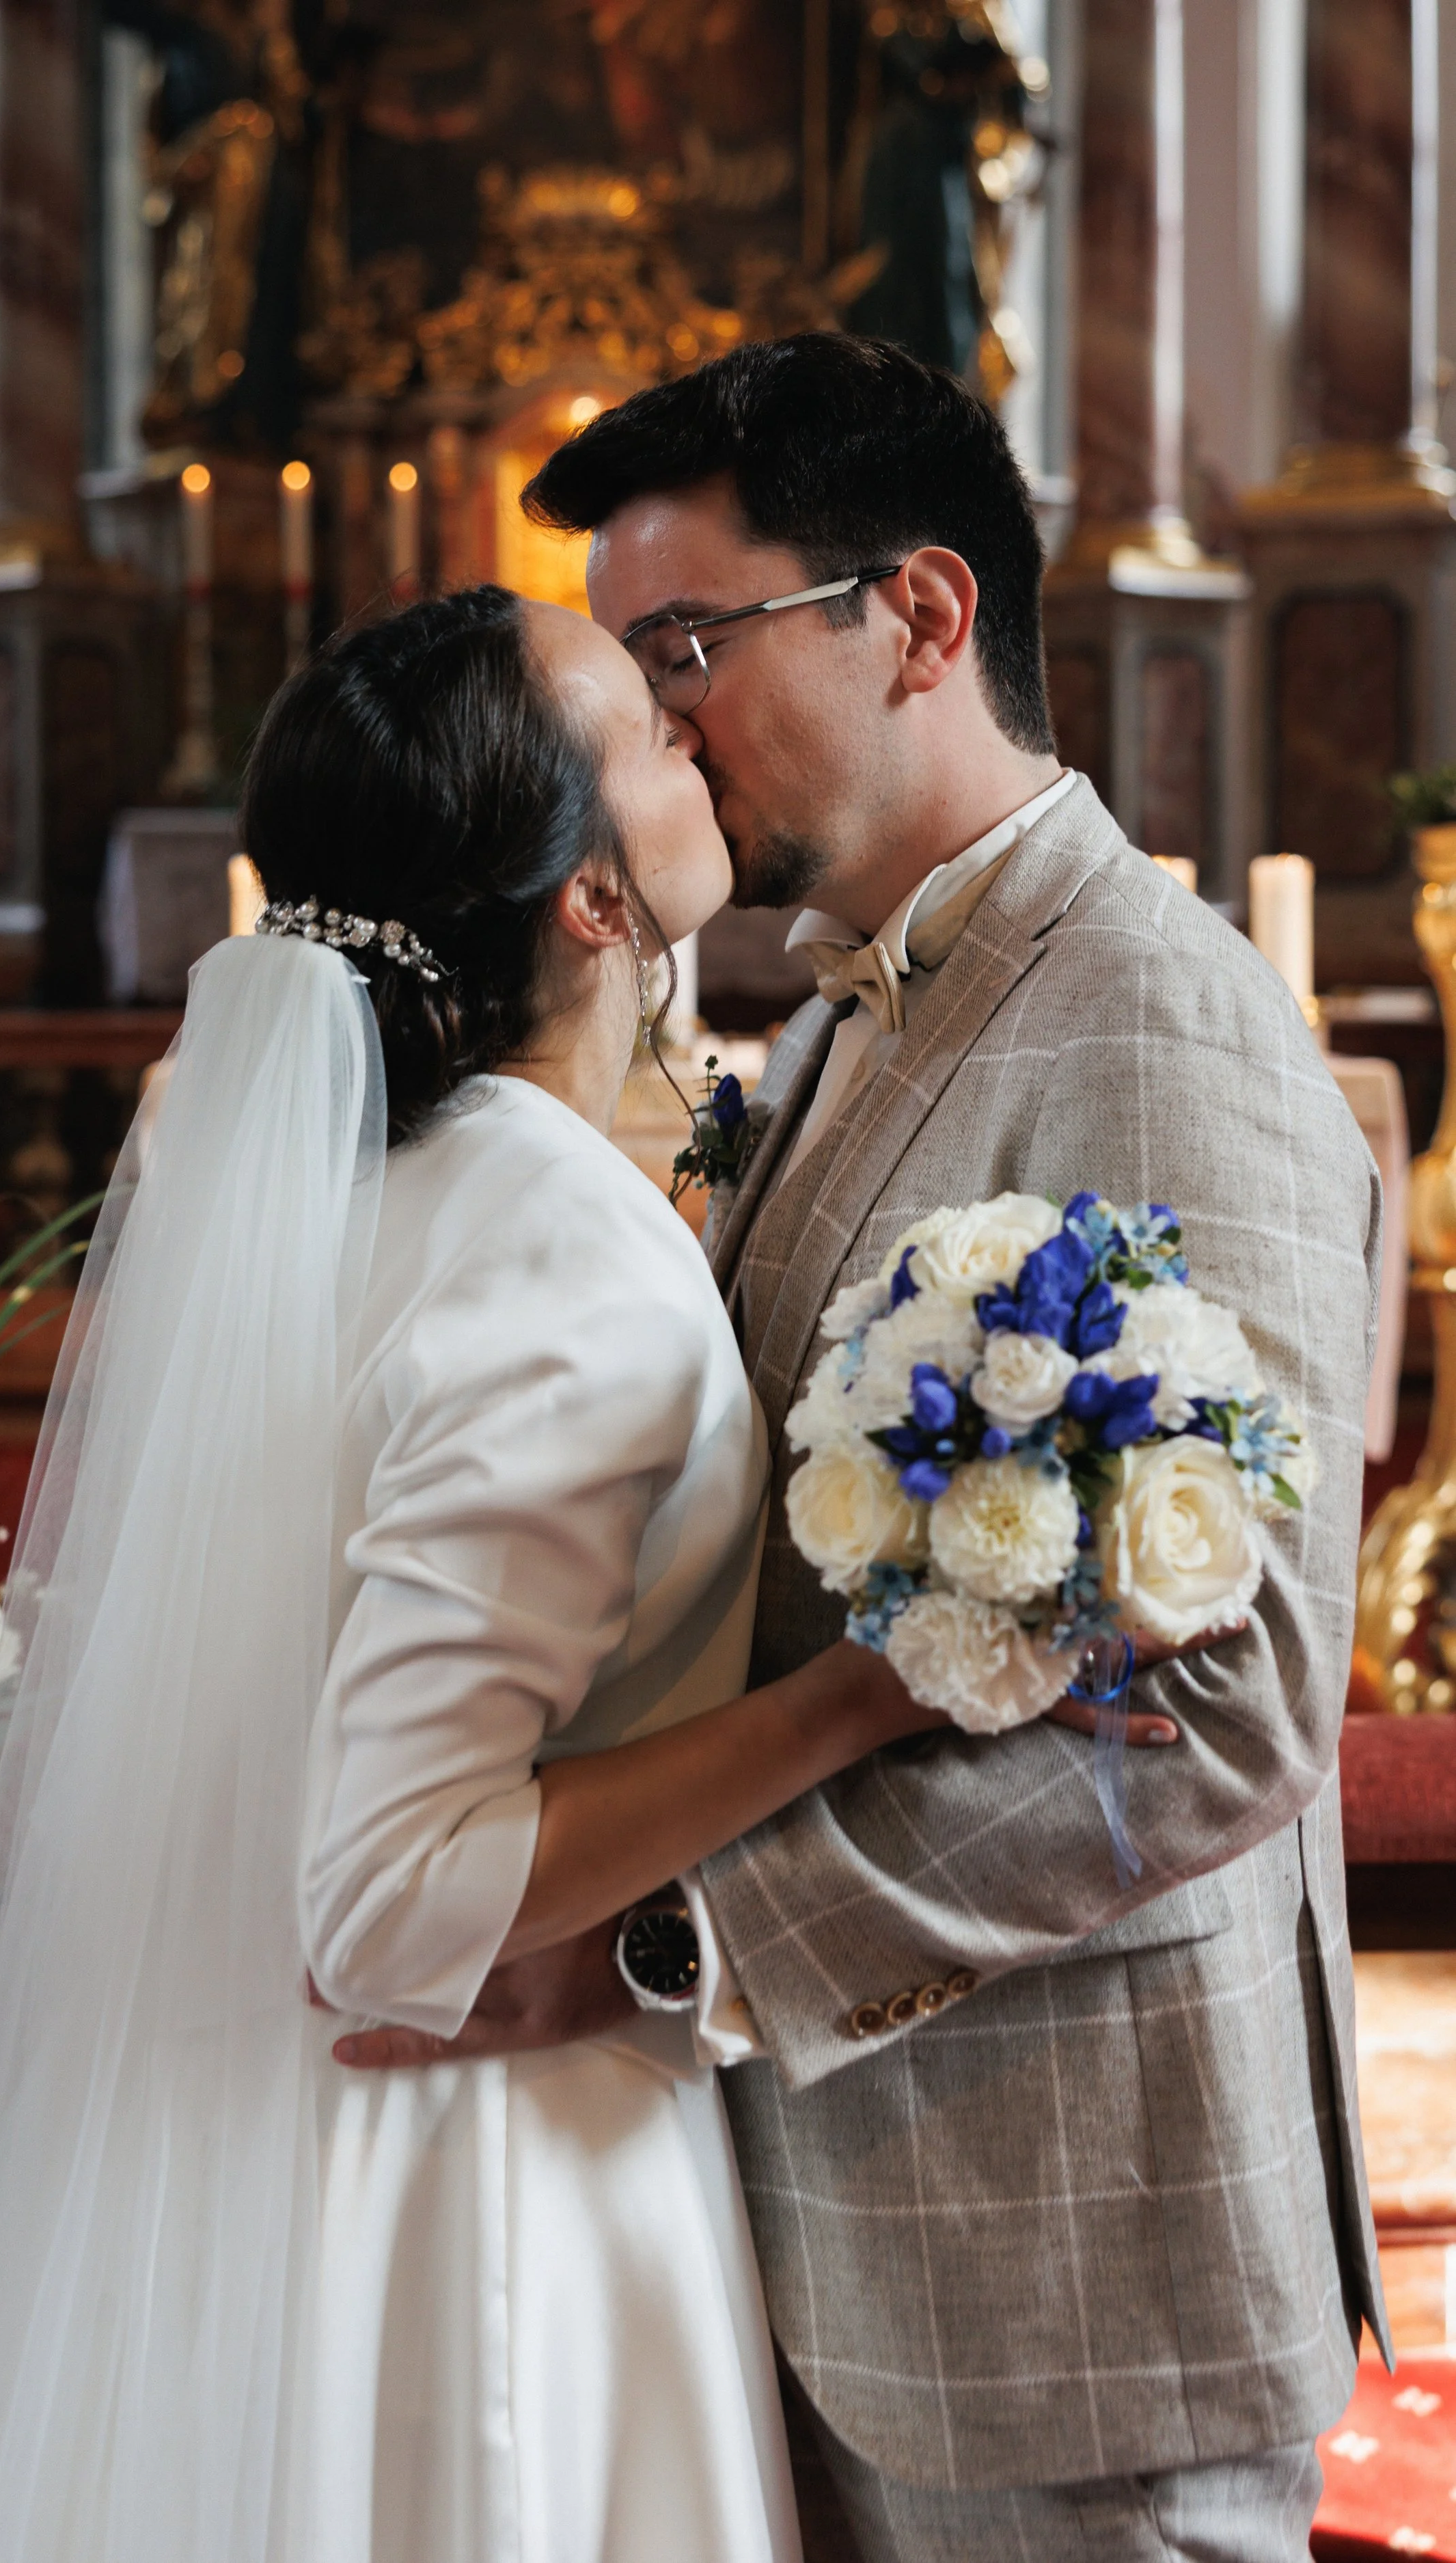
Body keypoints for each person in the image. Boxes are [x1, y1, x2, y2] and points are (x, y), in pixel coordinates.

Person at [0, 582, 1168, 2563]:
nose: (695, 732)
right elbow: (387, 1896)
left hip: (317, 2151)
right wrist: (867, 1687)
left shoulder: (390, 1190)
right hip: (479, 2183)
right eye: (639, 726)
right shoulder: (546, 1247)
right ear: (594, 905)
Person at [337, 338, 1389, 2563]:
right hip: (826, 2230)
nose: (653, 722)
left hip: (1069, 2268)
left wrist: (672, 1943)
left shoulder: (1158, 1017)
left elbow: (1231, 1692)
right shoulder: (832, 1004)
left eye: (685, 648)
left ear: (916, 617)